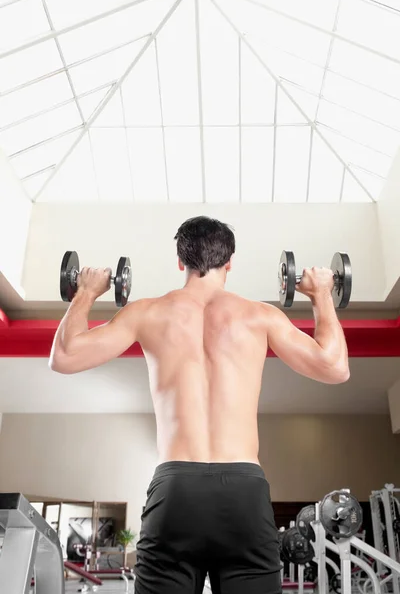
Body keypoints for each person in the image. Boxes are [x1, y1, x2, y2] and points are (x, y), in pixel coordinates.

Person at [50, 216, 350, 594]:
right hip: (243, 492)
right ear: (230, 262)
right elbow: (336, 368)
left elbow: (64, 356)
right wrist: (322, 292)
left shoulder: (146, 312)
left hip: (176, 491)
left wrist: (87, 292)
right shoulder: (260, 316)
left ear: (181, 262)